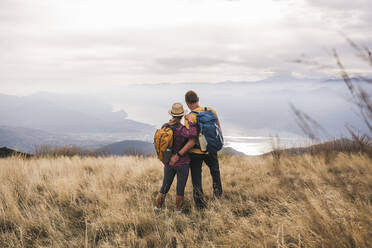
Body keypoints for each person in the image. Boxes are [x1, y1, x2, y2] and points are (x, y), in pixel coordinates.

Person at [170, 91, 223, 209]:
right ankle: (218, 196)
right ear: (198, 99)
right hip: (211, 148)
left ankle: (200, 205)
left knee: (196, 178)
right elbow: (218, 128)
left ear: (187, 103)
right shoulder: (211, 110)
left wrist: (179, 153)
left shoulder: (190, 117)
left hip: (196, 153)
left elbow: (191, 139)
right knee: (215, 171)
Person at [155, 103, 197, 213]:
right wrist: (190, 121)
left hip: (168, 163)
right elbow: (193, 133)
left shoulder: (165, 126)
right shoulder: (181, 129)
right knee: (180, 190)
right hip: (182, 163)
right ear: (182, 115)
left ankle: (157, 208)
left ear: (172, 114)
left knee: (164, 187)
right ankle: (178, 211)